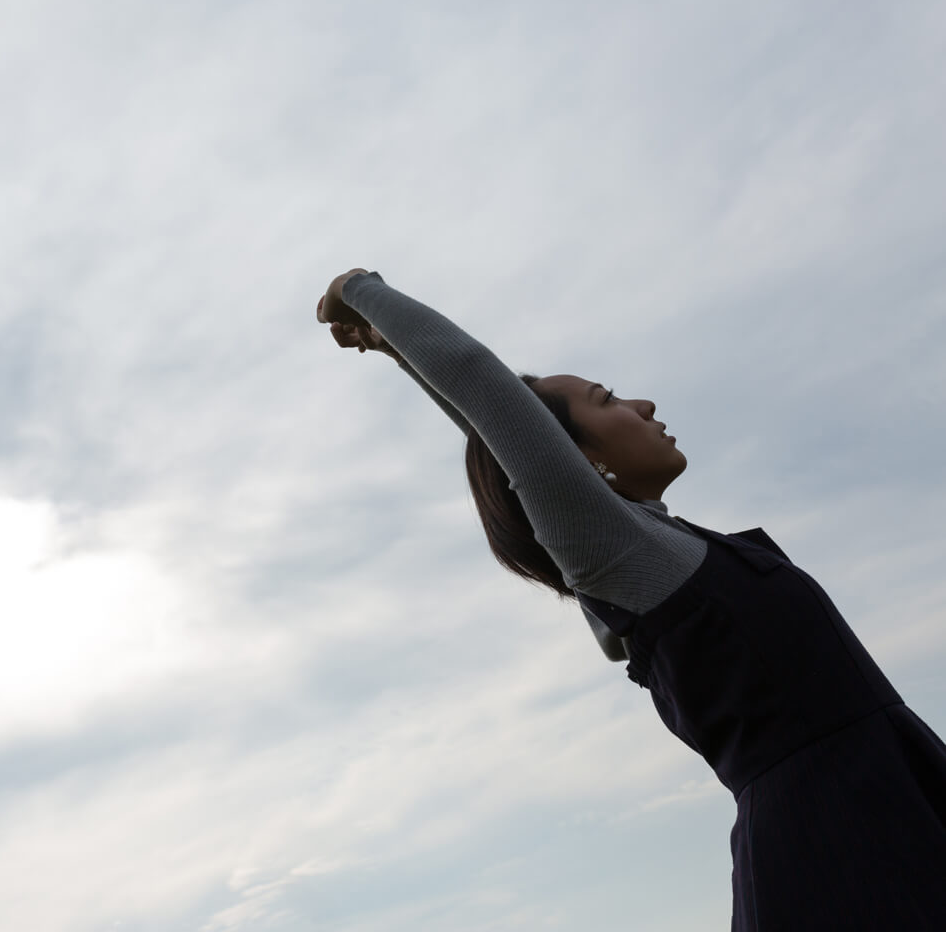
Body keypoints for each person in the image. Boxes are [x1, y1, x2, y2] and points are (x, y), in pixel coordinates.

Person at [317, 268, 946, 930]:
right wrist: (361, 288)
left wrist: (391, 345)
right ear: (573, 463)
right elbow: (483, 391)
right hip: (837, 846)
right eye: (608, 399)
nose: (642, 406)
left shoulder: (660, 543)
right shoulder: (619, 556)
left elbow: (481, 416)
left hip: (889, 800)